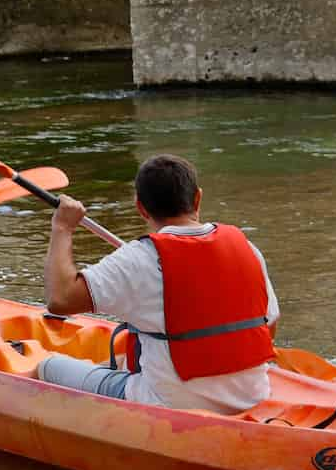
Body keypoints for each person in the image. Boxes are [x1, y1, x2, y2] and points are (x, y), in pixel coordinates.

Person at [39, 153, 279, 414]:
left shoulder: (139, 259)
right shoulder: (247, 248)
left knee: (48, 366)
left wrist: (63, 227)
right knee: (128, 358)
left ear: (140, 207)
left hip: (171, 404)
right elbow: (270, 325)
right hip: (252, 395)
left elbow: (60, 300)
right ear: (197, 197)